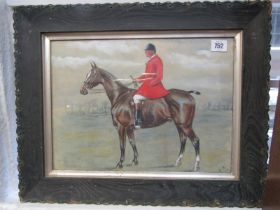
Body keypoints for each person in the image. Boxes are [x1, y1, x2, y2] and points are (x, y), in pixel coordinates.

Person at [133, 43, 169, 128]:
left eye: (146, 50)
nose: (145, 52)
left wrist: (150, 84)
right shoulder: (150, 61)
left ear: (152, 51)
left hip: (155, 87)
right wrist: (137, 80)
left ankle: (138, 120)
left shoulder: (157, 60)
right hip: (148, 86)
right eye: (145, 50)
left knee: (136, 97)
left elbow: (159, 77)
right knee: (135, 95)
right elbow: (146, 75)